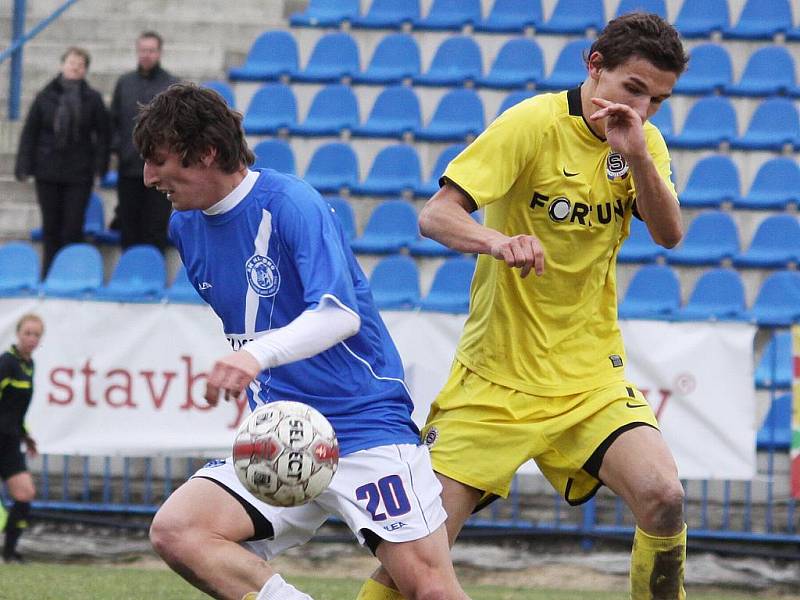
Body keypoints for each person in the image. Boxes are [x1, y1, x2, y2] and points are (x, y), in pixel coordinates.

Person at [362, 12, 690, 600]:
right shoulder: (530, 124)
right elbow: (436, 215)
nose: (641, 109)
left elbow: (669, 234)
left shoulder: (645, 143)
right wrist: (497, 240)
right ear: (595, 66)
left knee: (664, 497)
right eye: (632, 90)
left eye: (656, 101)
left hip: (589, 378)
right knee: (413, 559)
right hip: (495, 381)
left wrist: (638, 152)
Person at [133, 83, 469, 600]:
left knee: (431, 590)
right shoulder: (185, 225)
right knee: (179, 531)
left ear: (206, 153)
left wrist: (252, 356)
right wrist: (250, 363)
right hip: (283, 435)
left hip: (364, 427)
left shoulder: (291, 203)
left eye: (158, 161)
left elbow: (338, 316)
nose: (149, 177)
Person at [15, 47, 110, 277]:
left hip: (79, 172)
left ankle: (69, 273)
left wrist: (100, 166)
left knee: (72, 227)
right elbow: (31, 132)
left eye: (80, 65)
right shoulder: (44, 96)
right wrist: (24, 165)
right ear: (62, 65)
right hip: (47, 171)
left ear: (85, 70)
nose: (74, 67)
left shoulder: (93, 99)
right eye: (71, 63)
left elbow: (104, 135)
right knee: (50, 228)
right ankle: (48, 273)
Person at [110, 30, 179, 252]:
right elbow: (114, 121)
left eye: (151, 50)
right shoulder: (124, 82)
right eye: (143, 50)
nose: (146, 55)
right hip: (129, 169)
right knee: (128, 229)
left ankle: (152, 277)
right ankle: (127, 277)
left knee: (155, 229)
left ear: (159, 53)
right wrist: (118, 149)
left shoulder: (172, 85)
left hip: (162, 171)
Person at [0, 314, 44, 563]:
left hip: (10, 442)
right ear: (17, 334)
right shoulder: (6, 362)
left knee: (25, 493)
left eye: (36, 335)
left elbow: (15, 409)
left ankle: (9, 554)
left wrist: (26, 437)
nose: (31, 338)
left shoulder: (29, 365)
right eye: (27, 333)